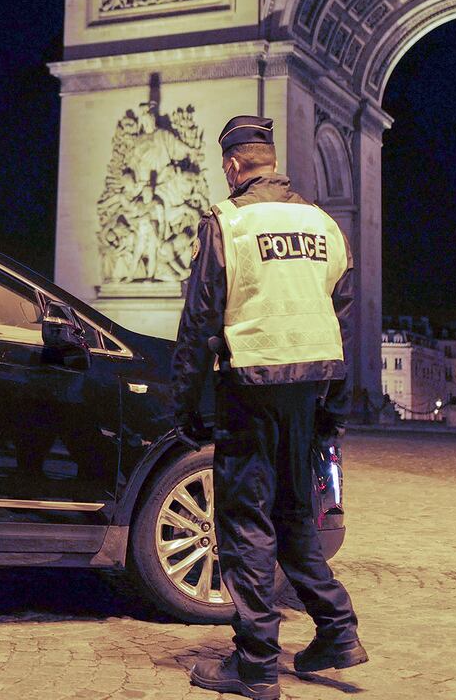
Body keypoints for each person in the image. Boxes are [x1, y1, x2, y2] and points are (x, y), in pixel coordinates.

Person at [171, 115, 365, 699]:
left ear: (233, 165)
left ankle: (255, 662)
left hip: (251, 386)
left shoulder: (226, 223)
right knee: (294, 513)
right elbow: (344, 321)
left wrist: (186, 402)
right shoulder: (324, 224)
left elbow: (199, 319)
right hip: (310, 389)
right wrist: (335, 407)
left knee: (245, 521)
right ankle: (337, 630)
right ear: (272, 161)